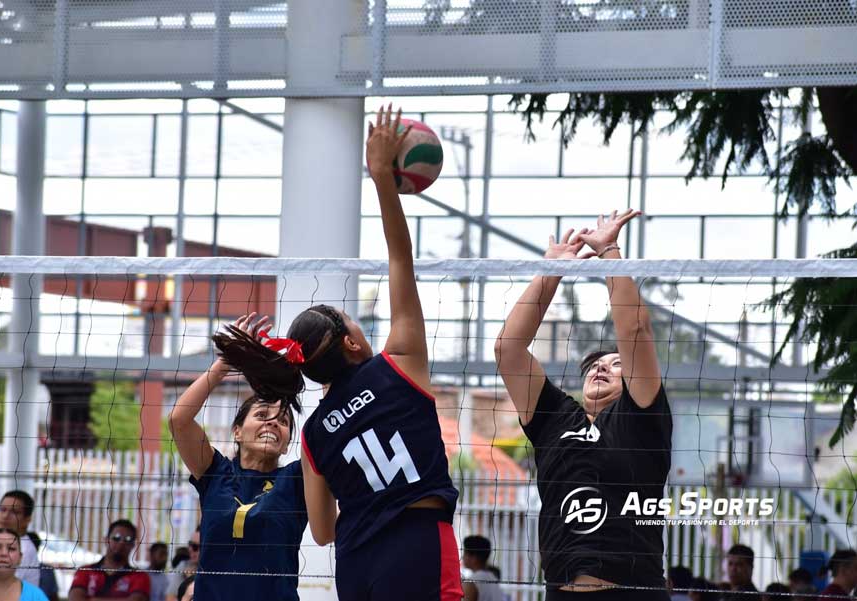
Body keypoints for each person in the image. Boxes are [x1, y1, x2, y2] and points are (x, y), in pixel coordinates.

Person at [216, 106, 461, 601]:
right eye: (355, 321)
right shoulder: (398, 367)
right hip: (417, 543)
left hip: (356, 558)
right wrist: (381, 181)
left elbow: (323, 532)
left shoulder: (312, 434)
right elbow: (400, 259)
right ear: (352, 343)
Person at [494, 210, 672, 600]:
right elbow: (508, 349)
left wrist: (609, 250)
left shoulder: (641, 417)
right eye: (594, 366)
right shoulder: (556, 418)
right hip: (561, 591)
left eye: (615, 364)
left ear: (631, 381)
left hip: (631, 591)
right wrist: (551, 271)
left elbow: (635, 328)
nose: (601, 369)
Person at [169, 313, 309, 601]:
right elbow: (179, 419)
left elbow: (328, 438)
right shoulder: (215, 473)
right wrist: (225, 362)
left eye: (283, 421)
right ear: (237, 431)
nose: (272, 423)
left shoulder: (296, 479)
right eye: (261, 415)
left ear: (286, 445)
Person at [68, 519, 149, 601]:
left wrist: (92, 599)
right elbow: (75, 598)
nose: (121, 543)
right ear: (106, 540)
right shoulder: (85, 571)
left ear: (133, 545)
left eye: (127, 540)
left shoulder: (140, 576)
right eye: (116, 538)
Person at [0, 490, 40, 588]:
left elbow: (2, 586)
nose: (5, 516)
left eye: (14, 512)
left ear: (27, 519)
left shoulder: (25, 549)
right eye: (3, 510)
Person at [462, 535, 505, 601]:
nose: (463, 557)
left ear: (474, 558)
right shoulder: (493, 577)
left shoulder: (471, 582)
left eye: (465, 553)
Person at [165, 530, 198, 600]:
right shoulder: (184, 565)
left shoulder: (218, 569)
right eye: (190, 544)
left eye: (195, 546)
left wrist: (191, 579)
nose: (190, 549)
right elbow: (170, 598)